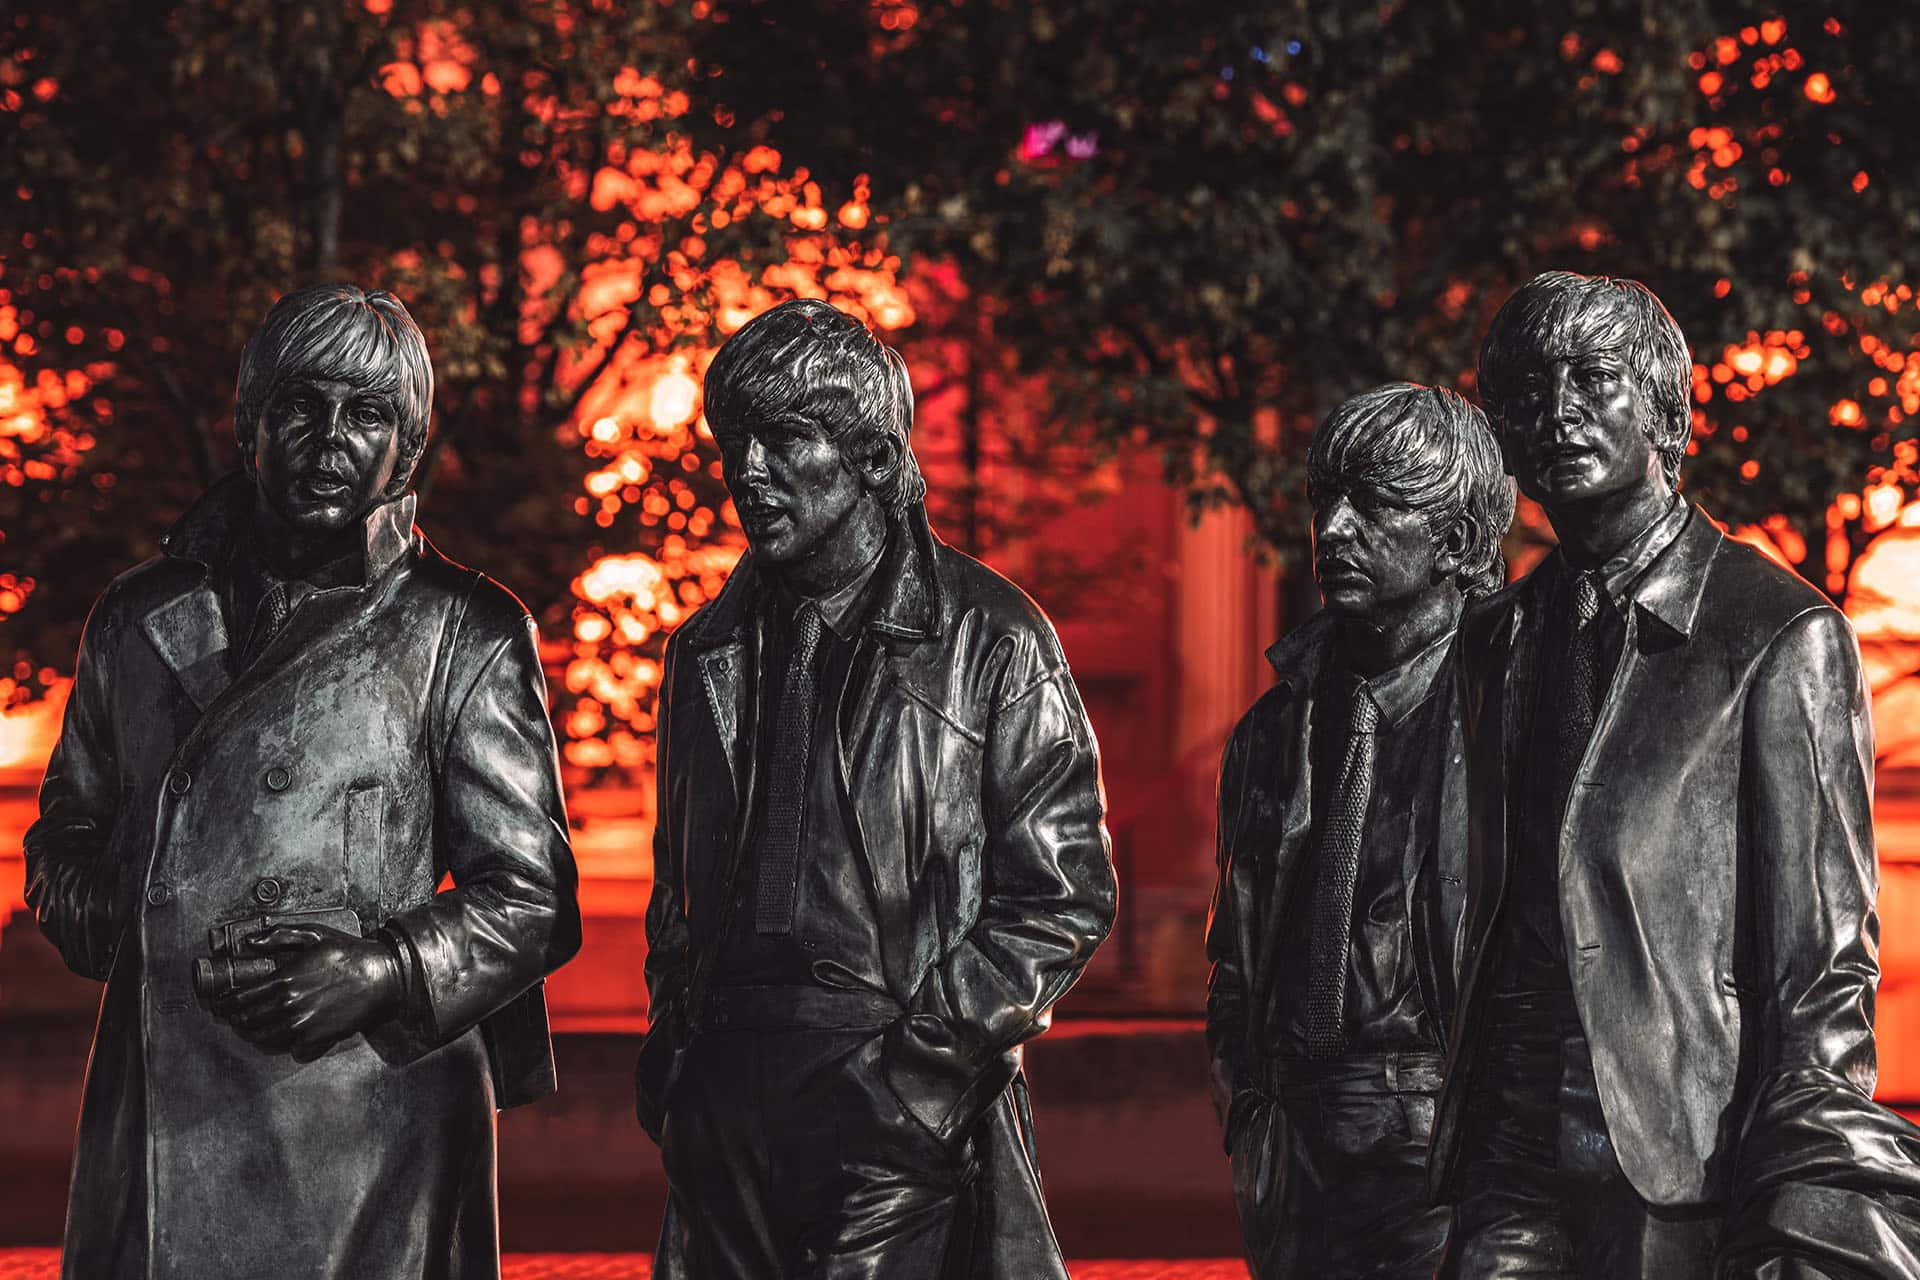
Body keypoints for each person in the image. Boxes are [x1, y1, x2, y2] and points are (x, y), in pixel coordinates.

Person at [25, 284, 581, 1279]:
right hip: (163, 1104)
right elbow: (66, 827)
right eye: (301, 405)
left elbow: (534, 898)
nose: (330, 438)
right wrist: (125, 911)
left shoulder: (465, 629)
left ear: (406, 451)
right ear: (251, 428)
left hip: (364, 1124)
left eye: (368, 414)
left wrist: (384, 969)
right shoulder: (138, 617)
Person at [635, 298, 1116, 1278]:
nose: (749, 472)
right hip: (725, 1091)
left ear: (870, 457)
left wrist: (923, 1070)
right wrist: (674, 1065)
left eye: (784, 440)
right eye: (737, 444)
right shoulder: (706, 650)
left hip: (886, 1085)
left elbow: (1063, 892)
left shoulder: (993, 638)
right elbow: (674, 883)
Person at [1430, 271, 1884, 1277]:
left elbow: (1824, 962)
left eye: (1595, 380)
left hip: (1680, 1156)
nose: (1559, 412)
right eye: (1530, 391)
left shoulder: (1776, 635)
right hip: (1506, 1139)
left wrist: (1807, 1189)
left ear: (1667, 412)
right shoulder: (1495, 638)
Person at [1205, 382, 1513, 1277]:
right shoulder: (1272, 731)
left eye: (1374, 505)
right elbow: (1236, 958)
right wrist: (1248, 1114)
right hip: (1298, 1164)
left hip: (1456, 1167)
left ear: (1455, 540)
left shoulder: (1515, 716)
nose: (1333, 529)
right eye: (1324, 500)